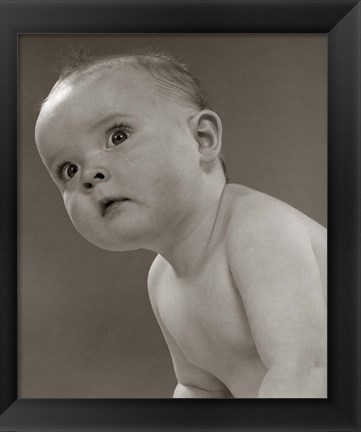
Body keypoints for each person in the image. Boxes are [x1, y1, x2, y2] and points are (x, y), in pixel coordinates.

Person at [34, 52, 327, 398]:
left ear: (202, 138)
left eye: (117, 137)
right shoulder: (162, 281)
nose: (89, 175)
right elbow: (199, 386)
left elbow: (306, 371)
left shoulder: (259, 230)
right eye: (68, 170)